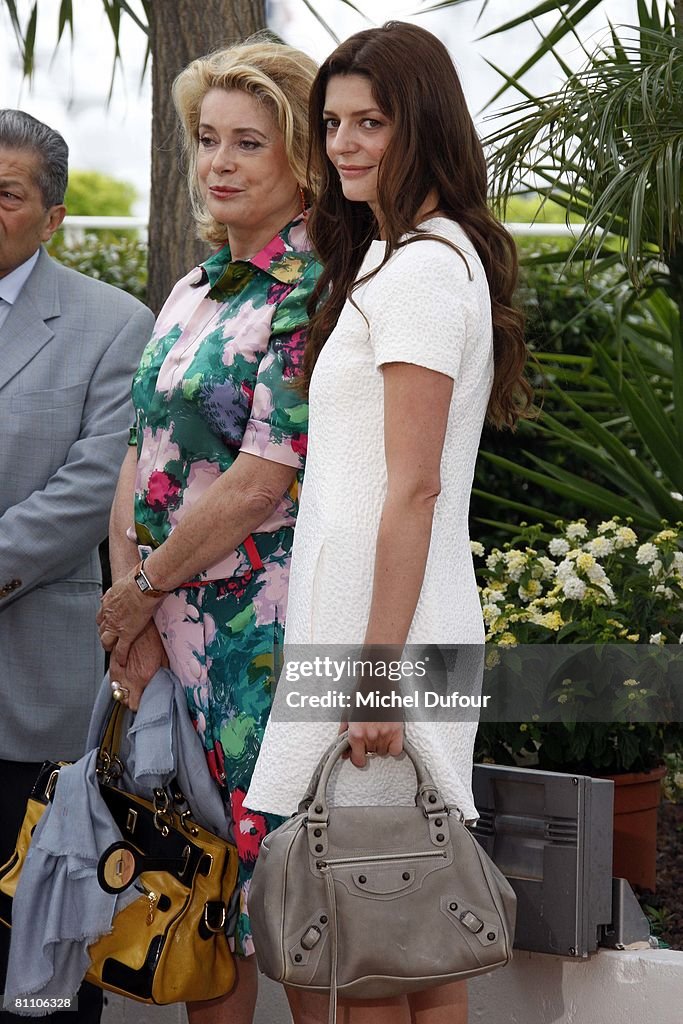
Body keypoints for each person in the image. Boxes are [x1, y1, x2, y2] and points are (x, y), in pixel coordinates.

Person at [245, 22, 532, 1024]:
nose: (343, 143)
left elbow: (410, 491)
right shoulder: (414, 257)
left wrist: (373, 671)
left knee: (365, 941)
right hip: (388, 623)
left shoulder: (414, 271)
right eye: (331, 122)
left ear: (424, 125)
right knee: (400, 925)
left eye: (371, 121)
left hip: (382, 637)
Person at [96, 41, 320, 1024]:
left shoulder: (312, 289)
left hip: (260, 651)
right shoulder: (191, 289)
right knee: (200, 914)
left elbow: (260, 480)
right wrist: (130, 614)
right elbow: (137, 456)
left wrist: (141, 589)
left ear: (302, 159)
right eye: (206, 140)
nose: (218, 163)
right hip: (166, 648)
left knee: (298, 922)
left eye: (248, 144)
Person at [0, 110, 155, 1022]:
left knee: (40, 961)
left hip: (36, 695)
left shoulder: (112, 324)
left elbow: (89, 491)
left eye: (7, 195)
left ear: (52, 217)